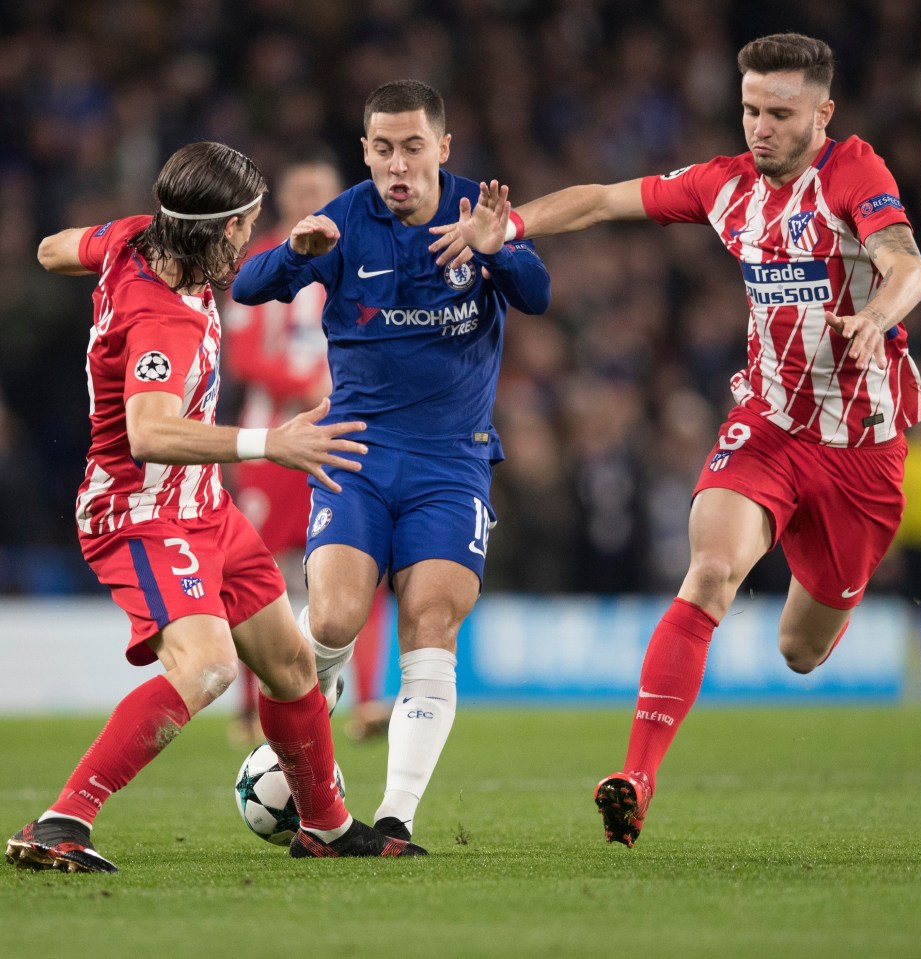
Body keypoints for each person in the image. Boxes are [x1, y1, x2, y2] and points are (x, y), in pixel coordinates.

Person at [431, 32, 921, 847]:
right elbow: (599, 199)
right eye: (749, 110)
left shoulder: (854, 173)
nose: (760, 128)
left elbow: (904, 262)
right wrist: (510, 226)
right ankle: (636, 776)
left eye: (780, 113)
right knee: (709, 571)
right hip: (766, 426)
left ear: (823, 113)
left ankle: (832, 598)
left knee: (802, 650)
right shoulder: (724, 186)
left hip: (861, 452)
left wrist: (876, 315)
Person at [5, 141, 426, 874]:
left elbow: (50, 250)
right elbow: (149, 431)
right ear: (218, 229)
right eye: (245, 226)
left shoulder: (137, 234)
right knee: (207, 665)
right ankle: (59, 821)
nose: (247, 240)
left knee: (291, 662)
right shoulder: (161, 318)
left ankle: (325, 824)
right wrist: (271, 442)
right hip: (139, 510)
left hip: (205, 506)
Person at [232, 80, 551, 842]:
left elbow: (536, 293)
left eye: (413, 147)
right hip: (357, 456)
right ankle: (314, 784)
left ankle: (396, 815)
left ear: (443, 147)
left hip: (452, 462)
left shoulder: (480, 210)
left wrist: (497, 247)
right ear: (366, 151)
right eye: (383, 148)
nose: (398, 163)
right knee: (335, 616)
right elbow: (247, 288)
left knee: (429, 620)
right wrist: (291, 256)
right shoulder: (344, 219)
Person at [223, 156, 393, 746]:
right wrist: (307, 386)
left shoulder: (367, 256)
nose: (309, 201)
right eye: (299, 190)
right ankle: (250, 710)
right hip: (272, 446)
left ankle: (367, 702)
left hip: (344, 439)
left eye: (320, 191)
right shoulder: (261, 264)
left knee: (360, 569)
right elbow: (241, 357)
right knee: (255, 574)